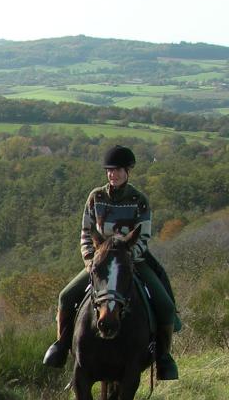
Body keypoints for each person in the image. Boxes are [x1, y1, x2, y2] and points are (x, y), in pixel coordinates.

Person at [42, 145, 179, 379]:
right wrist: (90, 259)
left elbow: (143, 235)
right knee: (65, 296)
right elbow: (86, 232)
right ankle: (62, 346)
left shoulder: (139, 200)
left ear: (128, 171)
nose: (112, 175)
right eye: (109, 171)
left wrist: (126, 258)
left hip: (132, 260)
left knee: (165, 305)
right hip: (102, 261)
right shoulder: (96, 197)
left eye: (117, 171)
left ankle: (163, 358)